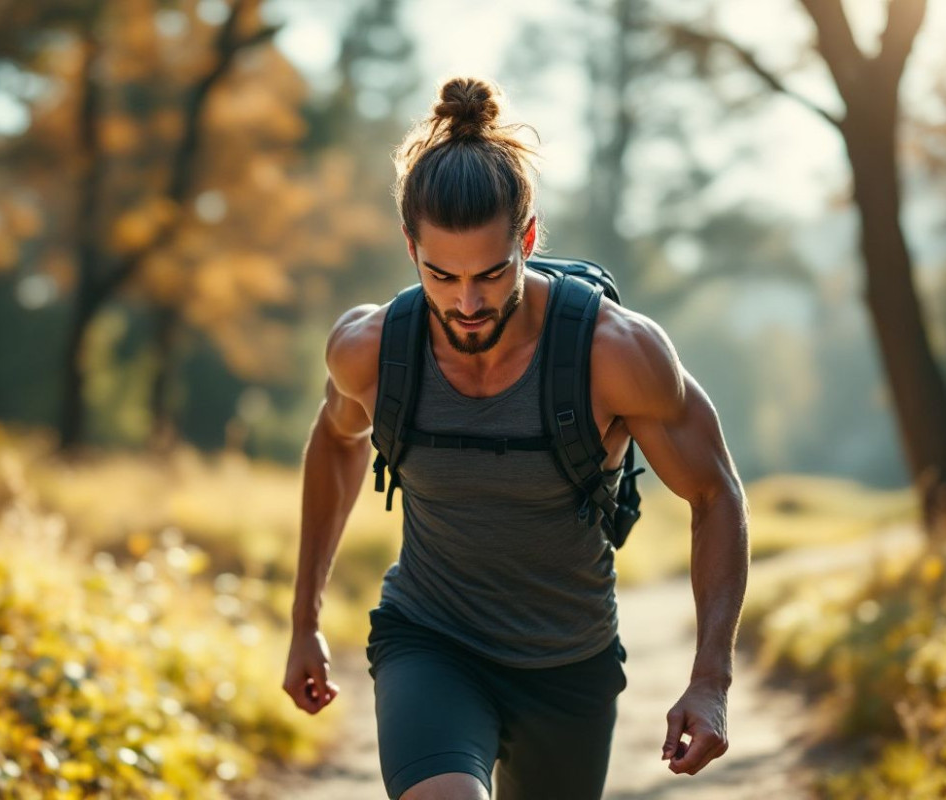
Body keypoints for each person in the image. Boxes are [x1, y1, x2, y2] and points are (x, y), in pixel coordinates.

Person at [283, 76, 750, 800]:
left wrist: (711, 679)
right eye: (442, 275)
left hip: (568, 664)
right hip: (429, 639)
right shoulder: (370, 350)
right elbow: (337, 441)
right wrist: (305, 620)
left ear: (528, 238)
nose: (467, 303)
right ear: (410, 247)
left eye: (492, 273)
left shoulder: (616, 355)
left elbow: (715, 494)